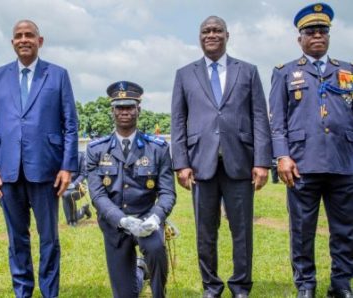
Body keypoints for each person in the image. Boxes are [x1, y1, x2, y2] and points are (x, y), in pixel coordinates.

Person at [171, 16, 272, 298]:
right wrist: (181, 162)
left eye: (217, 30)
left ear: (228, 35)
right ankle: (211, 286)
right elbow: (178, 121)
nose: (211, 35)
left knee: (242, 231)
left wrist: (262, 161)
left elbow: (260, 118)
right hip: (201, 165)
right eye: (206, 31)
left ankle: (241, 286)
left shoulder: (248, 71)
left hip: (240, 162)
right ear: (199, 37)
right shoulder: (185, 74)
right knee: (205, 232)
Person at [0, 19, 78, 298]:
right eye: (19, 36)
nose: (24, 40)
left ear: (40, 41)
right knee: (16, 239)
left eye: (29, 35)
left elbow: (70, 124)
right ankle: (22, 291)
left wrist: (67, 167)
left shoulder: (58, 75)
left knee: (49, 239)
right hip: (7, 173)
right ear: (12, 42)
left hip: (46, 171)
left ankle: (49, 292)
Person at [269, 3, 353, 298]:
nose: (317, 35)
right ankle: (306, 285)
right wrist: (282, 156)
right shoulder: (285, 72)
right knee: (303, 231)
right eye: (310, 31)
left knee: (345, 231)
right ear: (299, 38)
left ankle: (342, 285)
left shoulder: (347, 71)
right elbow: (277, 122)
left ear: (329, 35)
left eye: (322, 31)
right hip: (301, 164)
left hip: (344, 163)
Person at [87, 81, 176, 298]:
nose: (124, 112)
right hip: (115, 224)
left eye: (129, 107)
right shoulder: (96, 150)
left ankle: (158, 293)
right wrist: (122, 220)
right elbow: (97, 195)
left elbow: (167, 192)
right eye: (120, 107)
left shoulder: (157, 148)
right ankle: (139, 270)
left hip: (147, 218)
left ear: (139, 109)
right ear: (112, 111)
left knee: (155, 248)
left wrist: (156, 218)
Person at [62, 151, 91, 226]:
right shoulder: (60, 156)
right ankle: (84, 210)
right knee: (65, 194)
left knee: (67, 194)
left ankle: (73, 220)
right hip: (65, 188)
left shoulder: (81, 155)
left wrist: (73, 184)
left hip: (79, 187)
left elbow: (84, 174)